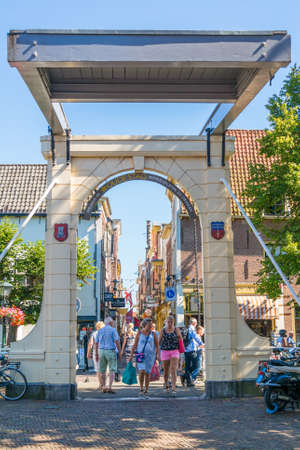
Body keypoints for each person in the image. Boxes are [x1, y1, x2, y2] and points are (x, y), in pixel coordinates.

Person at [130, 317, 159, 398]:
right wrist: (131, 355)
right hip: (141, 355)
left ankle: (146, 389)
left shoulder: (153, 334)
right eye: (149, 325)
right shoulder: (139, 334)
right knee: (141, 372)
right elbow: (135, 345)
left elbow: (157, 345)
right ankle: (141, 388)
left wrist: (157, 356)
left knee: (147, 373)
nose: (150, 327)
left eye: (151, 325)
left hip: (150, 356)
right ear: (144, 325)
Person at [95, 317, 121, 393]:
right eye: (112, 322)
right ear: (110, 323)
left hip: (101, 351)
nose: (113, 323)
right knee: (112, 369)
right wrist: (120, 352)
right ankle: (109, 387)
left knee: (102, 370)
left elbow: (96, 342)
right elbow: (117, 341)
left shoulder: (100, 330)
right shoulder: (113, 330)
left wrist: (96, 353)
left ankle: (103, 386)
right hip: (110, 351)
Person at [158, 315, 182, 396]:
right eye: (168, 322)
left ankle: (174, 388)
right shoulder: (162, 330)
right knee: (166, 370)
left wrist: (181, 347)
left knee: (173, 369)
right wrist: (157, 352)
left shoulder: (176, 329)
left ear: (173, 322)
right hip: (165, 351)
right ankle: (166, 384)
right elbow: (158, 341)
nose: (170, 323)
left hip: (174, 351)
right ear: (166, 322)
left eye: (171, 322)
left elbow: (180, 339)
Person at [182, 318, 203, 387]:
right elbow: (195, 336)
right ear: (194, 323)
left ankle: (188, 381)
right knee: (196, 366)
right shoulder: (191, 329)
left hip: (186, 350)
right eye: (196, 323)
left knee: (187, 366)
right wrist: (201, 343)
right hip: (191, 350)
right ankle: (185, 376)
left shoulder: (187, 328)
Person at [87, 321, 104, 389]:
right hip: (105, 351)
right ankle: (104, 384)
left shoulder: (94, 333)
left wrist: (88, 353)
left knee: (98, 369)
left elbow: (90, 344)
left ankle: (101, 384)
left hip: (96, 353)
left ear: (97, 327)